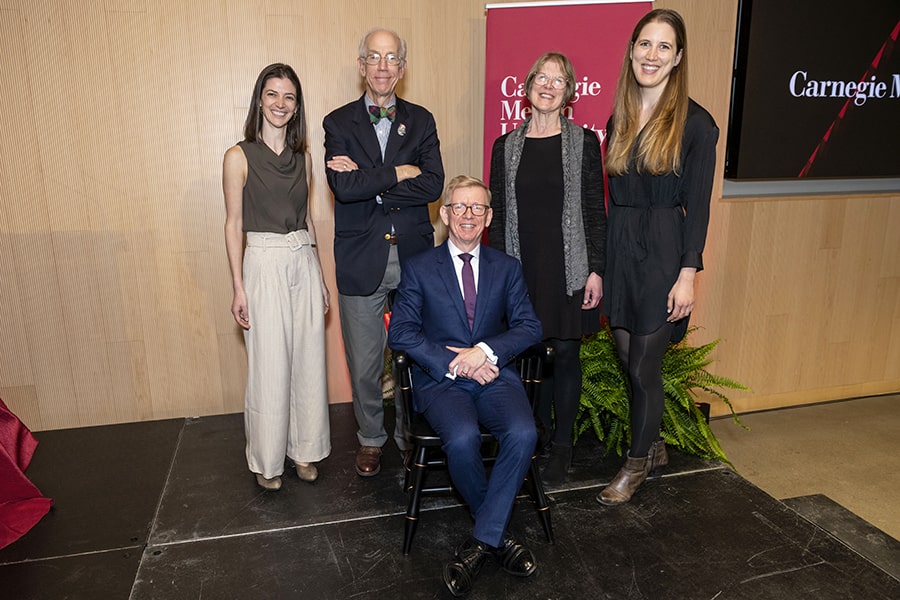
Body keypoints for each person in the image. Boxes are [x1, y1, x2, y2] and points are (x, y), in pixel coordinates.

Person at [388, 176, 542, 597]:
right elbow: (400, 333)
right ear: (445, 214)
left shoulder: (507, 268)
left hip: (494, 376)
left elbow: (531, 326)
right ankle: (498, 535)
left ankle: (481, 541)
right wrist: (459, 360)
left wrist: (486, 351)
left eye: (477, 208)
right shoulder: (420, 267)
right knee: (460, 437)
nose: (468, 215)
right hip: (442, 381)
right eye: (460, 207)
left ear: (489, 216)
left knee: (524, 432)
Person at [597, 9, 719, 505]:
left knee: (644, 365)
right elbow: (611, 198)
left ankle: (636, 463)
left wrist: (687, 274)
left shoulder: (697, 124)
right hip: (622, 245)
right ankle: (656, 442)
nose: (652, 55)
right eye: (644, 44)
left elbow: (700, 206)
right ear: (631, 52)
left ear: (678, 58)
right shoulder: (618, 117)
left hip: (666, 250)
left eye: (664, 47)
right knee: (628, 357)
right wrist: (603, 266)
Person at [323, 27, 444, 477]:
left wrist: (371, 181)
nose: (382, 66)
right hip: (360, 260)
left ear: (402, 68)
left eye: (391, 58)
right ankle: (370, 439)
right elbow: (343, 186)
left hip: (414, 259)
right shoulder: (337, 122)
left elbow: (432, 185)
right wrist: (398, 171)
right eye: (373, 57)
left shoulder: (423, 119)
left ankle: (408, 436)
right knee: (365, 362)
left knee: (412, 358)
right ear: (361, 66)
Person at [489, 52, 606, 487]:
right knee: (529, 354)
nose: (549, 85)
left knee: (568, 355)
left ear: (569, 92)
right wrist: (500, 277)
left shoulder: (583, 143)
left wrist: (596, 270)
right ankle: (532, 436)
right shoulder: (506, 147)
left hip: (568, 266)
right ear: (528, 85)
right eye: (542, 76)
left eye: (559, 80)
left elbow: (596, 209)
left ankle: (562, 446)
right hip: (522, 266)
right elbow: (498, 217)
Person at [223, 63, 331, 491]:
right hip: (263, 262)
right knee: (269, 364)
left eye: (289, 97)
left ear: (296, 105)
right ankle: (267, 460)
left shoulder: (304, 158)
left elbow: (308, 220)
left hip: (302, 258)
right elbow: (233, 225)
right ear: (259, 99)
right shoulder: (238, 156)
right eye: (272, 94)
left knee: (308, 358)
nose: (280, 104)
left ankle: (304, 450)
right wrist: (237, 286)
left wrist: (320, 276)